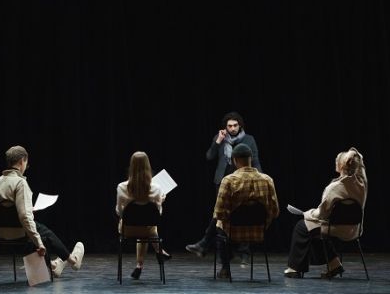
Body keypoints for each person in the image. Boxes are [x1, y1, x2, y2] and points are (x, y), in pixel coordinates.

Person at [0, 145, 85, 278]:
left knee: (38, 230)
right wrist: (39, 243)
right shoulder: (20, 183)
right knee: (44, 232)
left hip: (0, 234)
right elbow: (25, 217)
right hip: (20, 232)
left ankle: (52, 267)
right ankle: (73, 261)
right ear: (22, 161)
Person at [186, 111, 262, 264]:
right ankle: (220, 250)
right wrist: (218, 141)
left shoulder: (248, 139)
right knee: (222, 215)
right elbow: (209, 156)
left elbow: (255, 160)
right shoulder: (219, 138)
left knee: (241, 213)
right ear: (225, 127)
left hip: (243, 181)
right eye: (229, 126)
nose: (232, 128)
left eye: (235, 125)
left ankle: (241, 251)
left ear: (239, 126)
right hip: (223, 182)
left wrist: (259, 176)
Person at [284, 147, 367, 279]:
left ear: (340, 165)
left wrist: (307, 213)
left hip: (336, 229)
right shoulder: (362, 183)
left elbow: (321, 214)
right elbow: (360, 163)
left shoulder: (334, 188)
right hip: (354, 229)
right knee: (313, 229)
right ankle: (334, 264)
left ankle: (294, 268)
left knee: (302, 226)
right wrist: (353, 153)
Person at [211, 144, 279, 279]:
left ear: (234, 160)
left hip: (232, 233)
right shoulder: (267, 180)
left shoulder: (229, 181)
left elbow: (219, 213)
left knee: (218, 224)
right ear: (251, 158)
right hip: (259, 232)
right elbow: (275, 211)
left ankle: (225, 268)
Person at [115, 151, 171, 280]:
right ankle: (159, 252)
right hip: (149, 230)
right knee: (148, 227)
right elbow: (158, 215)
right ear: (148, 166)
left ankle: (139, 265)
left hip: (127, 230)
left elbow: (119, 212)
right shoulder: (157, 188)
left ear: (131, 166)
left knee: (143, 225)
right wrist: (160, 201)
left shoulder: (121, 187)